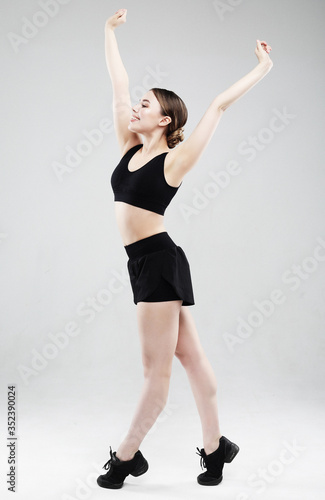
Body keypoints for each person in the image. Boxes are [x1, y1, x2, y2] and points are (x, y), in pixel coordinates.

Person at [97, 7, 273, 490]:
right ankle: (218, 449)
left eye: (146, 104)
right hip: (145, 263)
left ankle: (125, 457)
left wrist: (262, 67)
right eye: (139, 102)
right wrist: (108, 32)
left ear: (166, 118)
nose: (136, 106)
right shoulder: (129, 148)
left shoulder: (175, 161)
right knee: (191, 359)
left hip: (157, 261)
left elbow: (217, 106)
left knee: (155, 372)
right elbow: (117, 85)